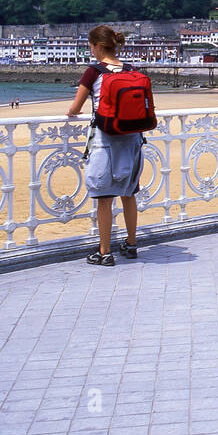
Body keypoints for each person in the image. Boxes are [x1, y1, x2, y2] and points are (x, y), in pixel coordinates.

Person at [66, 26, 144, 266]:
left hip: (105, 141)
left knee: (104, 198)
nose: (90, 50)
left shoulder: (94, 72)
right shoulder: (130, 70)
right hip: (132, 140)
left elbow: (75, 108)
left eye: (90, 46)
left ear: (98, 46)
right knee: (129, 195)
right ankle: (131, 245)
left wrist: (72, 112)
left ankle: (105, 251)